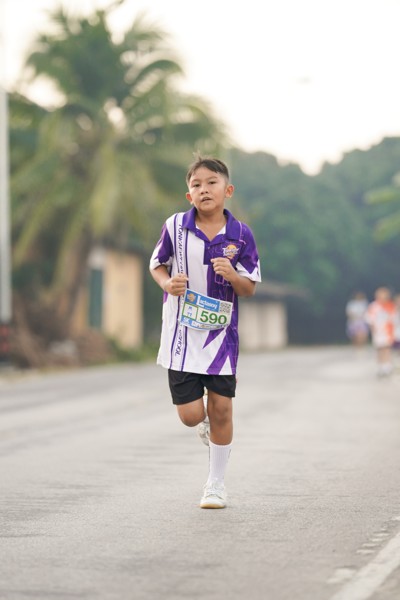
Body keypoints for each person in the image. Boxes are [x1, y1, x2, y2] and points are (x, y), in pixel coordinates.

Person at [149, 156, 261, 509]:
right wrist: (168, 284)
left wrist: (232, 275)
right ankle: (205, 424)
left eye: (211, 182)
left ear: (228, 190)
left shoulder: (241, 235)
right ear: (189, 195)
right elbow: (157, 265)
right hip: (181, 337)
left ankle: (215, 484)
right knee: (191, 416)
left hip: (221, 339)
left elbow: (249, 288)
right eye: (196, 185)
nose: (204, 189)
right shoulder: (175, 227)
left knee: (222, 410)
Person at [365, 287, 396, 377]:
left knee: (387, 348)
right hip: (378, 331)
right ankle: (381, 366)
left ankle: (387, 366)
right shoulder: (374, 306)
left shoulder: (390, 305)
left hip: (388, 331)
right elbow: (369, 319)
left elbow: (393, 318)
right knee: (380, 349)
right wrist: (373, 328)